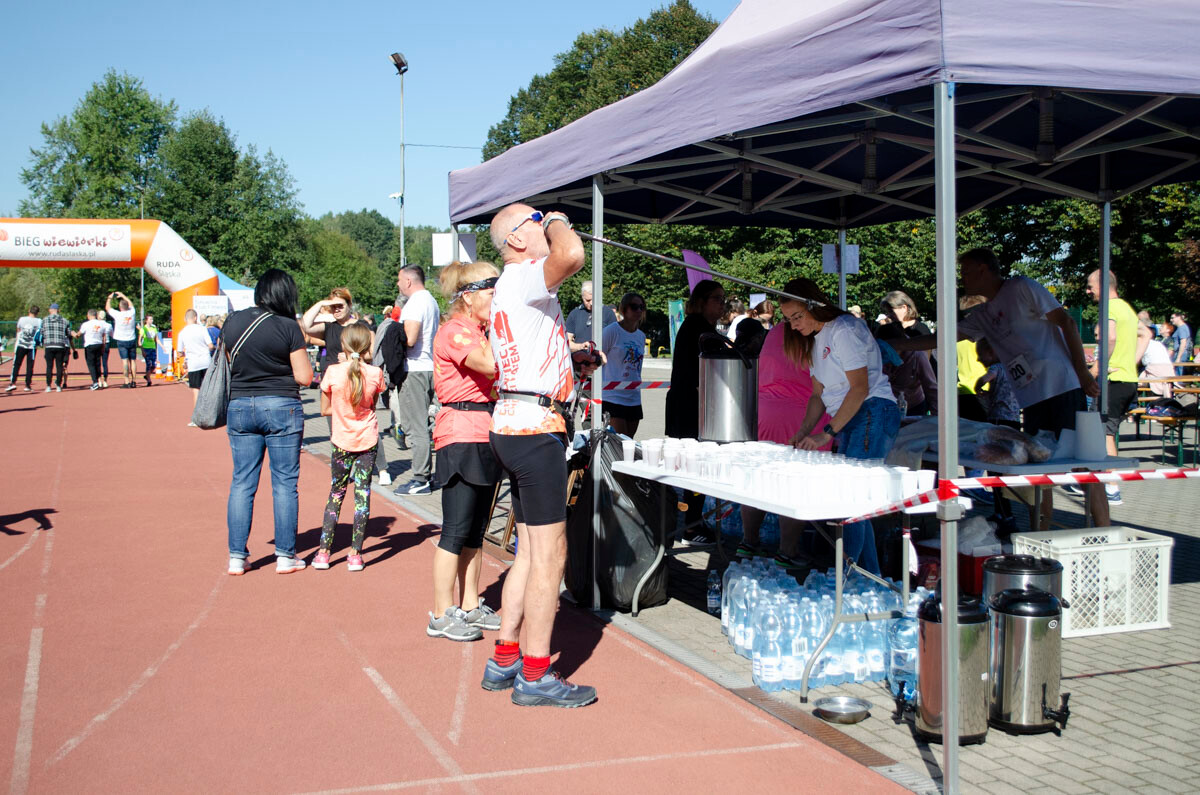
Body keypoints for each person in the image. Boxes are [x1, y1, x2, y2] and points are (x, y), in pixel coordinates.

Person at [481, 203, 599, 708]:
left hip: (517, 423)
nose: (544, 225)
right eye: (533, 222)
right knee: (551, 556)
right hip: (534, 430)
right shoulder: (525, 274)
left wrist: (572, 360)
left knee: (528, 553)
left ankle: (506, 656)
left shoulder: (515, 286)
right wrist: (554, 215)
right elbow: (572, 252)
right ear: (517, 238)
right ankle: (535, 673)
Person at [894, 248, 1100, 529]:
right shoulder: (982, 314)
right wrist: (899, 345)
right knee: (1039, 468)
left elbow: (1067, 321)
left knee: (1082, 463)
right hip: (1031, 397)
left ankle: (1103, 527)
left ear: (983, 269)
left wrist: (1082, 373)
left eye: (966, 271)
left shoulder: (1022, 287)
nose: (962, 278)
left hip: (1062, 387)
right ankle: (1041, 533)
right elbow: (943, 337)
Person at [784, 279, 900, 576]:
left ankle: (844, 581)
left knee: (853, 500)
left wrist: (827, 432)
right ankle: (869, 580)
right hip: (852, 418)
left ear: (814, 305)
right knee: (857, 504)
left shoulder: (844, 329)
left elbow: (859, 388)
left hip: (871, 411)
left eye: (797, 317)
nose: (794, 325)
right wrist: (803, 431)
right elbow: (817, 394)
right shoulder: (816, 338)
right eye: (788, 320)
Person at [427, 260, 504, 642]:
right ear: (469, 296)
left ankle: (470, 605)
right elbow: (490, 365)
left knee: (476, 531)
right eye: (493, 294)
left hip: (485, 431)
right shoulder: (456, 331)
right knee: (455, 530)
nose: (498, 300)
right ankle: (441, 613)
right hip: (460, 432)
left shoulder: (480, 329)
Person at [222, 269, 313, 575]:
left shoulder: (233, 322)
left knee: (242, 482)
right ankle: (286, 556)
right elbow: (304, 377)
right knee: (284, 483)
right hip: (281, 405)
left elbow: (226, 363)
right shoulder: (288, 327)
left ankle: (237, 556)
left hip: (239, 405)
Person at [738, 285, 832, 568]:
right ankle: (787, 550)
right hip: (803, 415)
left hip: (763, 411)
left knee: (756, 480)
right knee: (795, 484)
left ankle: (748, 541)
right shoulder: (818, 334)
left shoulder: (777, 330)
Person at [313, 324, 383, 572]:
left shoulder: (332, 372)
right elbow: (372, 405)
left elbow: (324, 409)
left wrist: (343, 409)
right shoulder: (375, 373)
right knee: (362, 495)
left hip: (341, 439)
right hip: (367, 439)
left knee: (336, 492)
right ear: (367, 347)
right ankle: (355, 554)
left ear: (343, 345)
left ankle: (323, 553)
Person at [1082, 270, 1152, 509]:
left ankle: (1111, 487)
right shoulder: (1126, 308)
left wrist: (1098, 369)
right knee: (1100, 430)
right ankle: (1088, 478)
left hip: (1114, 381)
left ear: (1103, 285)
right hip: (1126, 380)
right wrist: (1129, 363)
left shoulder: (1109, 308)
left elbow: (1110, 338)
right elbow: (1147, 334)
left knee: (1104, 433)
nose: (1088, 291)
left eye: (1091, 286)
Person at [665, 279, 726, 544]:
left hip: (689, 406)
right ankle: (691, 526)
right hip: (691, 408)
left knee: (694, 468)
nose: (722, 305)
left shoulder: (700, 327)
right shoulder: (699, 329)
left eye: (724, 299)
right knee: (695, 468)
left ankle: (691, 522)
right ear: (701, 301)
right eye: (717, 299)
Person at [394, 265, 440, 495]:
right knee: (425, 425)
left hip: (414, 369)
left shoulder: (414, 303)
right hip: (429, 366)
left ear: (409, 281)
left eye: (399, 280)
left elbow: (410, 339)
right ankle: (427, 475)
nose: (398, 284)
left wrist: (392, 340)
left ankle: (420, 478)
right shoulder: (430, 300)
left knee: (416, 427)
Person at [601, 292, 647, 438]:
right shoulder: (611, 331)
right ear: (624, 309)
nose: (639, 310)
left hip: (633, 397)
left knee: (629, 444)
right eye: (634, 307)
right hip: (613, 396)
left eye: (642, 307)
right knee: (620, 442)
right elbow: (597, 357)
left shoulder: (641, 336)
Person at [176, 309, 214, 422]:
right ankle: (210, 414)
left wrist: (186, 354)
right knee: (208, 389)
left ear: (185, 319)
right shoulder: (202, 329)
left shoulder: (182, 333)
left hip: (193, 363)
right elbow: (211, 345)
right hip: (206, 361)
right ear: (195, 318)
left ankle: (197, 417)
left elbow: (179, 352)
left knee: (196, 390)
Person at [564, 280, 617, 352]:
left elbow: (616, 341)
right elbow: (566, 342)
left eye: (593, 300)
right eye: (588, 300)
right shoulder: (574, 314)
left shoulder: (608, 313)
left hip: (603, 360)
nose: (591, 303)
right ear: (582, 297)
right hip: (580, 360)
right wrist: (581, 346)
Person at [104, 291, 138, 388]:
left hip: (121, 340)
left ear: (120, 307)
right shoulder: (132, 312)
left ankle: (126, 381)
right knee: (133, 361)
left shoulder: (118, 314)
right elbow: (131, 304)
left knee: (124, 361)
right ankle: (134, 381)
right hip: (131, 339)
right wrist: (123, 295)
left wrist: (110, 298)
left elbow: (107, 308)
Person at [6, 305, 41, 393]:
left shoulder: (22, 319)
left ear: (29, 310)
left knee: (17, 364)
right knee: (30, 366)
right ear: (37, 313)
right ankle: (27, 385)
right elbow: (40, 332)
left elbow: (18, 330)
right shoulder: (39, 321)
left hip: (21, 344)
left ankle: (13, 382)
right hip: (32, 347)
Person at [72, 309, 107, 390]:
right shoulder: (101, 324)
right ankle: (99, 380)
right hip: (98, 344)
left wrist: (74, 334)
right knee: (98, 363)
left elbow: (79, 334)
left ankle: (95, 382)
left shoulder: (86, 324)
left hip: (90, 345)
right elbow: (103, 336)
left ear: (89, 315)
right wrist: (103, 346)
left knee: (91, 364)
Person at [41, 303, 72, 393]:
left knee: (49, 366)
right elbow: (68, 333)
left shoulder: (45, 320)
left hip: (49, 345)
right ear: (58, 310)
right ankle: (58, 385)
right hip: (60, 345)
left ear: (50, 310)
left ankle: (48, 385)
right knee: (59, 366)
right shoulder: (64, 320)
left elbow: (42, 332)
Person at [1140, 323, 1176, 397]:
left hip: (1156, 369)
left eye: (1162, 327)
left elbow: (1170, 352)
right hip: (1167, 368)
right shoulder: (1158, 342)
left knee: (1139, 382)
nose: (1160, 328)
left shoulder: (1169, 340)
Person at [137, 314, 159, 386]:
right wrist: (142, 350)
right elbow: (139, 341)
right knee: (148, 364)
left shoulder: (153, 328)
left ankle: (147, 375)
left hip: (153, 348)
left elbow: (156, 339)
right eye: (150, 319)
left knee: (154, 365)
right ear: (146, 320)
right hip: (146, 348)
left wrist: (161, 347)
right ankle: (149, 380)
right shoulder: (143, 329)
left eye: (152, 319)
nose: (151, 321)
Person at [96, 308, 112, 388]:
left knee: (98, 362)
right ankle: (105, 381)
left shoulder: (97, 324)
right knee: (105, 362)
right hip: (107, 344)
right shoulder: (108, 325)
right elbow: (112, 335)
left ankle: (99, 380)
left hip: (98, 343)